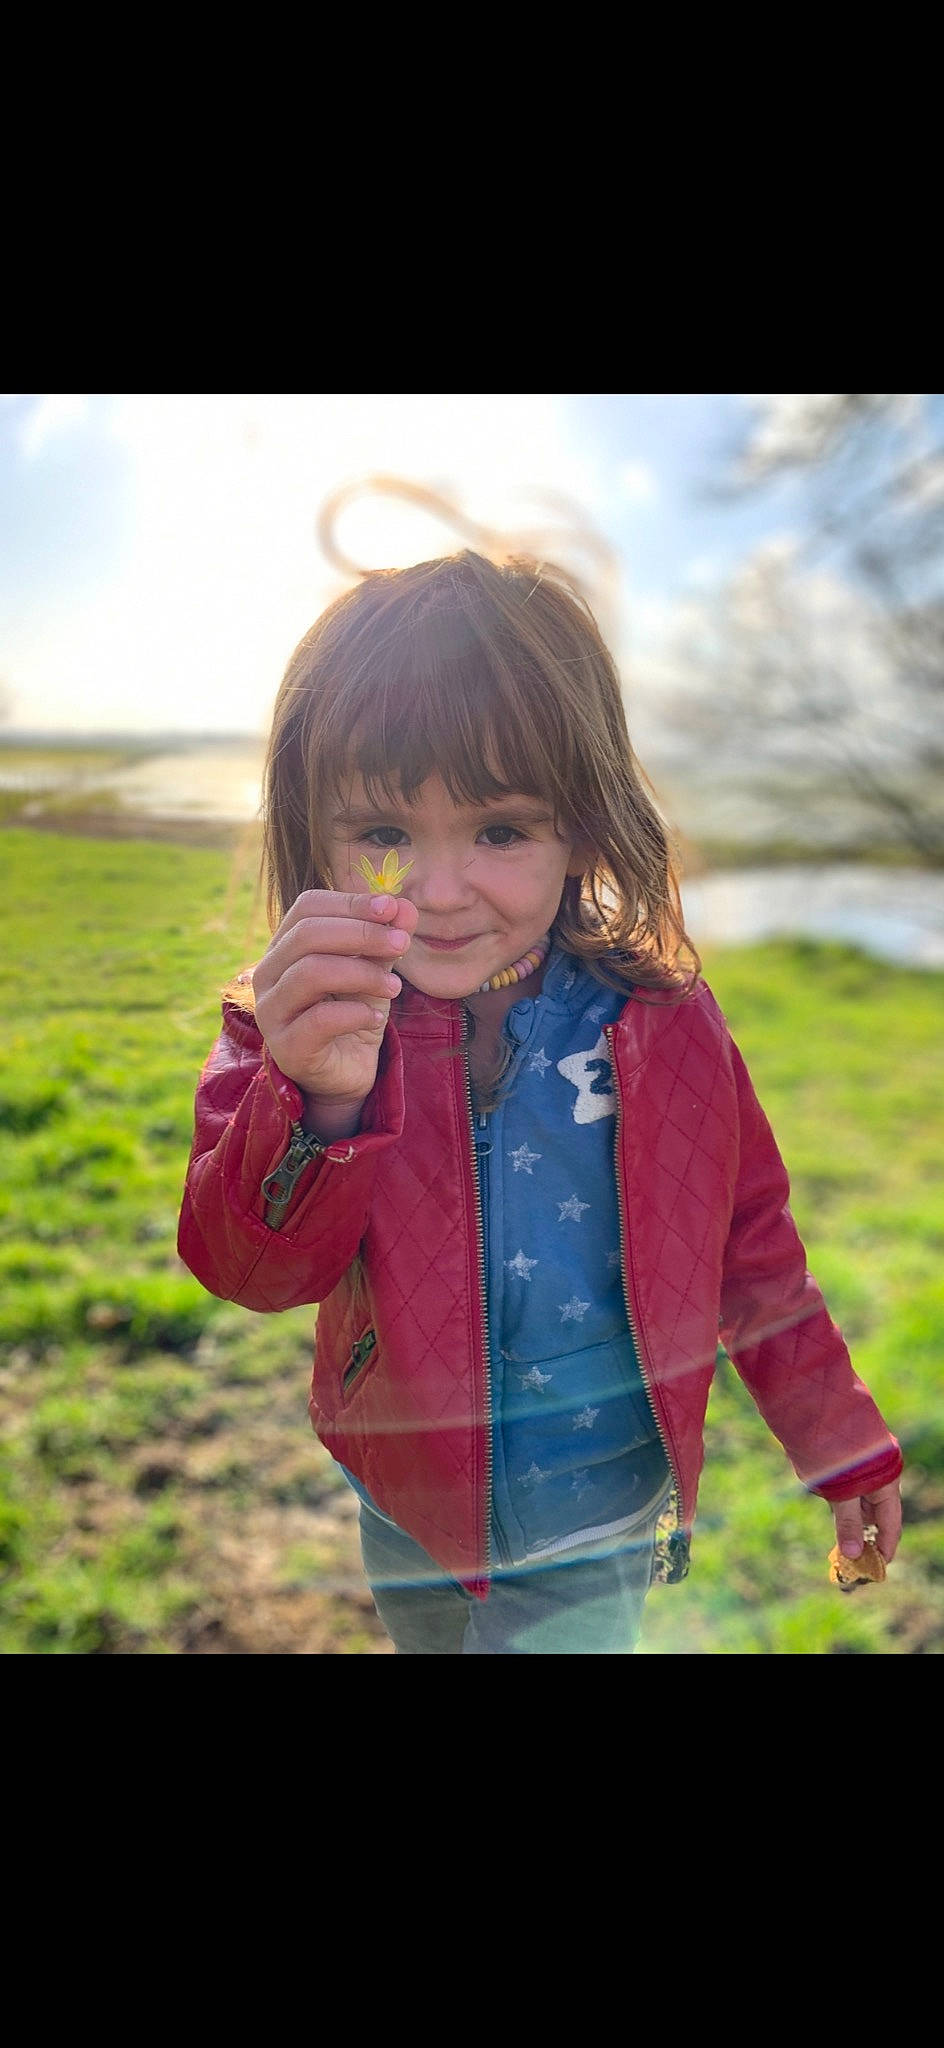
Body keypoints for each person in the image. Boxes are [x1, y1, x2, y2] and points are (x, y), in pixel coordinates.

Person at [177, 547, 903, 1654]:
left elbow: (750, 1250)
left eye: (499, 830)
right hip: (405, 1492)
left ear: (581, 824)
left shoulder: (661, 1021)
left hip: (595, 1508)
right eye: (382, 833)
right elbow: (255, 1274)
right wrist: (314, 1100)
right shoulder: (288, 1031)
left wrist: (837, 1439)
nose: (438, 888)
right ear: (311, 829)